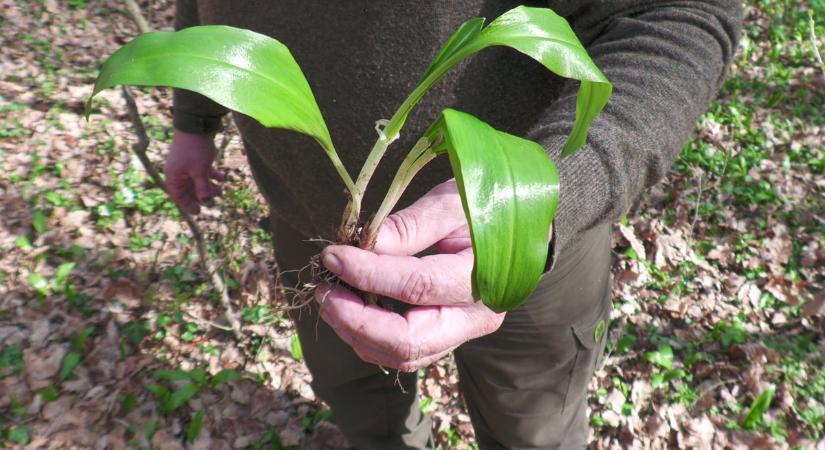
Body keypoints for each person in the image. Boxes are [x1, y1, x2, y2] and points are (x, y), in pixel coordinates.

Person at [164, 1, 742, 448]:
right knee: (357, 396)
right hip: (310, 228)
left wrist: (539, 204)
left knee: (531, 426)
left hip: (513, 238)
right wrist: (195, 119)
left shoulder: (517, 224)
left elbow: (674, 15)